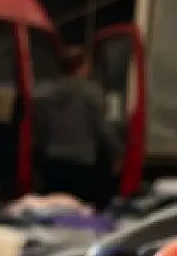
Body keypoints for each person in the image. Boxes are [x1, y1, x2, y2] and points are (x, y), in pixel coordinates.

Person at [34, 46, 119, 206]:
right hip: (82, 161)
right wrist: (115, 152)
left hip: (53, 159)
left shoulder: (45, 92)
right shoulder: (91, 92)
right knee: (77, 208)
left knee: (52, 206)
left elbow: (40, 127)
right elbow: (102, 128)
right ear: (82, 67)